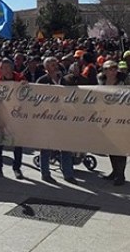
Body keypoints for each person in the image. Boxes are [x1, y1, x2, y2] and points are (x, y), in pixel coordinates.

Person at [36, 56, 77, 184]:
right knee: (46, 147)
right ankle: (45, 173)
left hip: (64, 118)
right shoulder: (42, 81)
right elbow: (36, 99)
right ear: (46, 68)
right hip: (48, 119)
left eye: (56, 63)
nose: (56, 66)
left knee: (66, 146)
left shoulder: (64, 80)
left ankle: (68, 174)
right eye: (52, 64)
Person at [0, 58, 24, 180]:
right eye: (3, 68)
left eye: (8, 67)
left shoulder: (21, 80)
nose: (6, 70)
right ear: (0, 69)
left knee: (17, 144)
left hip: (16, 117)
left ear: (12, 68)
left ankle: (17, 168)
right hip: (1, 117)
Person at [97, 60, 130, 186]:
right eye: (109, 68)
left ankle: (121, 174)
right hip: (106, 117)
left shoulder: (124, 80)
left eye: (114, 68)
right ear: (104, 70)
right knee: (110, 146)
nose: (112, 71)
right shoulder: (100, 80)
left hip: (121, 117)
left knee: (120, 147)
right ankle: (114, 171)